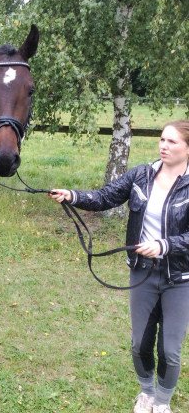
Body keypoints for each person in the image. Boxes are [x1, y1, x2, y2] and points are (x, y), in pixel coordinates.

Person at [49, 120, 189, 413]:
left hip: (179, 277)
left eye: (172, 142)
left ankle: (162, 402)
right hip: (142, 273)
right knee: (140, 343)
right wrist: (72, 195)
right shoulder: (141, 174)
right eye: (162, 139)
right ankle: (147, 393)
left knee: (170, 350)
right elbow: (105, 197)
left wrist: (165, 245)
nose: (163, 146)